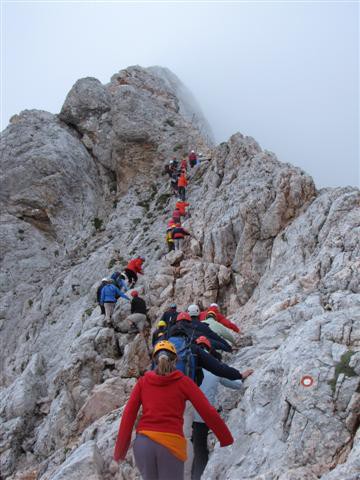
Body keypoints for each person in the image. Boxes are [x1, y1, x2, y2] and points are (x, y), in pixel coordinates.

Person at [113, 340, 234, 480]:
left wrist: (119, 453)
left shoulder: (143, 382)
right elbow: (207, 410)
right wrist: (225, 438)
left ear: (155, 360)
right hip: (170, 445)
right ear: (176, 360)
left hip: (144, 444)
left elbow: (128, 415)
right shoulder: (184, 382)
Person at [191, 337, 253, 480]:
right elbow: (236, 384)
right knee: (200, 449)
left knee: (189, 446)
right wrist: (243, 376)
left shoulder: (189, 367)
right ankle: (198, 476)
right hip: (202, 415)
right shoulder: (214, 369)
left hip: (184, 413)